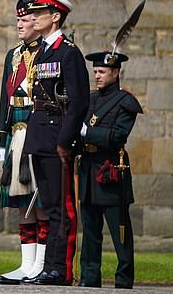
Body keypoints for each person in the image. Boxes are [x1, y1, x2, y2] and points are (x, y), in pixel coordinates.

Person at [20, 0, 90, 286]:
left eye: (39, 13)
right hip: (39, 133)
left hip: (57, 137)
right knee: (49, 207)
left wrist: (65, 140)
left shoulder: (68, 52)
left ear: (55, 16)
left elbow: (79, 102)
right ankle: (48, 268)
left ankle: (61, 269)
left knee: (63, 208)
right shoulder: (43, 51)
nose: (32, 17)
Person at [0, 0, 49, 285]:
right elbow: (5, 97)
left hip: (38, 129)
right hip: (16, 132)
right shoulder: (13, 55)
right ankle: (26, 264)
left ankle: (41, 264)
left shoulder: (49, 52)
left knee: (39, 201)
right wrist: (0, 137)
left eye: (26, 19)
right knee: (20, 201)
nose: (20, 24)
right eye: (18, 20)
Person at [78, 51, 142, 289]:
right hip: (88, 169)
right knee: (91, 230)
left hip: (110, 171)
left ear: (115, 73)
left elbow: (118, 136)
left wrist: (87, 132)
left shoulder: (125, 102)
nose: (97, 75)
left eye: (102, 72)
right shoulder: (90, 99)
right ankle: (89, 277)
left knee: (120, 231)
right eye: (95, 71)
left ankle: (124, 279)